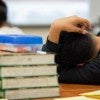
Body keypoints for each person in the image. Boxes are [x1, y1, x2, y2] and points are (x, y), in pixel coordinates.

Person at [42, 16, 100, 85]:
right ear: (84, 31)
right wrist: (55, 28)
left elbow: (48, 72)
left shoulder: (95, 71)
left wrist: (55, 28)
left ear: (80, 65)